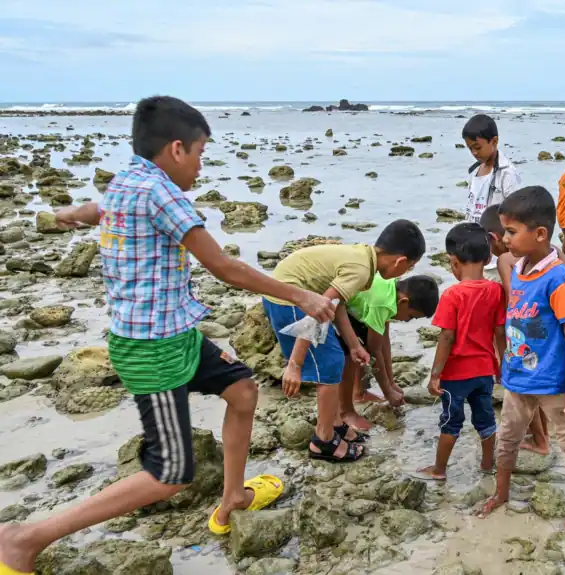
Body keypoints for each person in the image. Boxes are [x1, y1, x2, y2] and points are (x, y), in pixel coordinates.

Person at [0, 95, 338, 575]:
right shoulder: (162, 193)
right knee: (170, 474)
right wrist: (300, 296)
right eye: (201, 154)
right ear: (177, 149)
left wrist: (73, 212)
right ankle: (23, 539)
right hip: (151, 350)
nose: (202, 167)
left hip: (176, 334)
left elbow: (103, 208)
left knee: (243, 391)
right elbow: (223, 266)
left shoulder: (128, 180)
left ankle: (234, 498)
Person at [476, 186, 565, 533]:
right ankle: (501, 493)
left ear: (540, 234)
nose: (505, 239)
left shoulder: (557, 277)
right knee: (508, 437)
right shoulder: (520, 269)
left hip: (552, 382)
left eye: (512, 232)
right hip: (518, 377)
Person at [262, 220, 425, 463]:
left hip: (293, 292)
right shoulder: (361, 269)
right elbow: (318, 310)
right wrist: (294, 364)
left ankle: (336, 425)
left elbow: (336, 304)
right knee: (330, 364)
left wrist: (354, 344)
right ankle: (323, 441)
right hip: (289, 298)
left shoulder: (363, 259)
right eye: (410, 267)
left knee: (340, 357)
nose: (406, 272)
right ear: (400, 261)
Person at [480, 204, 565, 455]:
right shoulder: (553, 253)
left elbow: (517, 299)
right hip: (552, 332)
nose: (506, 240)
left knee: (527, 390)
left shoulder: (505, 259)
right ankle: (542, 439)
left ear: (493, 238)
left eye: (510, 233)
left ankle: (540, 439)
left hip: (526, 333)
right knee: (539, 390)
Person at [416, 223, 506, 481]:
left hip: (455, 374)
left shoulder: (452, 295)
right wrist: (501, 367)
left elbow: (447, 337)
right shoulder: (496, 291)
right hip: (484, 370)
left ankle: (439, 469)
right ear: (488, 258)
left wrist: (435, 375)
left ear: (453, 262)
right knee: (486, 420)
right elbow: (499, 332)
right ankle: (487, 464)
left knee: (451, 422)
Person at [341, 274, 439, 407]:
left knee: (366, 344)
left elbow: (384, 341)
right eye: (410, 316)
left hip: (355, 308)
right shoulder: (382, 304)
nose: (406, 320)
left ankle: (359, 392)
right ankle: (355, 396)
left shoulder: (391, 290)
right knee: (358, 349)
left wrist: (391, 383)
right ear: (403, 302)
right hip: (339, 308)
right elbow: (374, 351)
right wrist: (387, 392)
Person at [461, 114, 522, 224]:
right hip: (475, 233)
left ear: (494, 141)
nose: (474, 152)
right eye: (470, 148)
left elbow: (516, 212)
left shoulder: (507, 173)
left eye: (478, 147)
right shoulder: (474, 172)